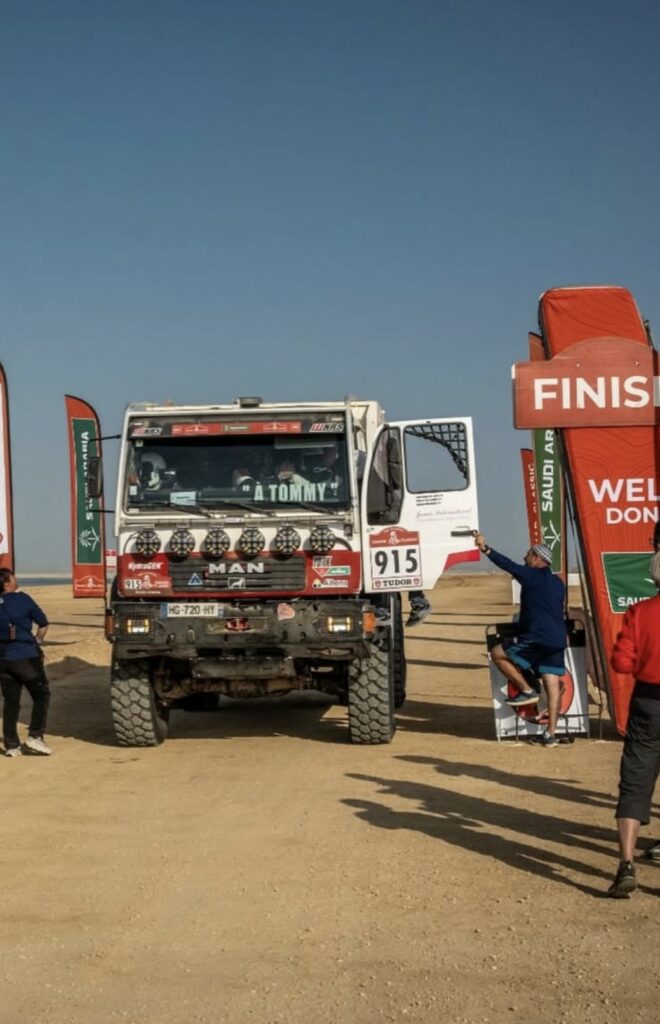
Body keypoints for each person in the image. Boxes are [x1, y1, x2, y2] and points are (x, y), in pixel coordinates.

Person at [474, 533, 566, 746]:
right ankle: (550, 734)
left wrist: (485, 548)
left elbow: (507, 564)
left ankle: (526, 690)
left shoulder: (531, 575)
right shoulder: (558, 582)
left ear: (537, 559)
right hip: (558, 639)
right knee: (552, 685)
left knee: (498, 653)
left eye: (528, 554)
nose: (525, 556)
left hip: (538, 637)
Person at [607, 550, 660, 896]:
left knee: (636, 780)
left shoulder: (640, 612)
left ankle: (626, 863)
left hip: (649, 702)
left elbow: (621, 663)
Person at [0, 568, 52, 756]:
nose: (16, 579)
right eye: (13, 577)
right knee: (41, 695)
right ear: (7, 583)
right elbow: (43, 623)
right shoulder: (23, 599)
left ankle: (11, 745)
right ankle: (35, 737)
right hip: (25, 657)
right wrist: (38, 641)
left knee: (11, 701)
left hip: (3, 659)